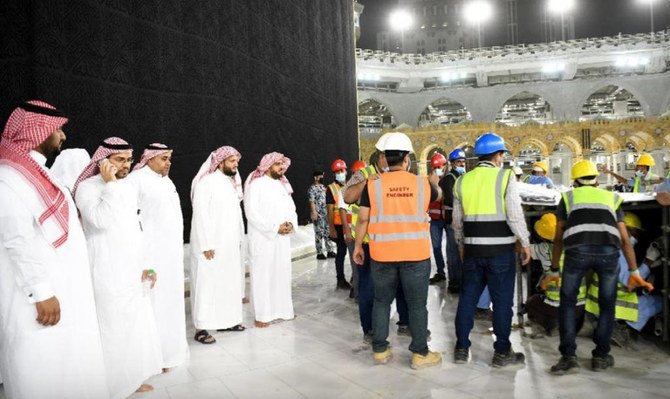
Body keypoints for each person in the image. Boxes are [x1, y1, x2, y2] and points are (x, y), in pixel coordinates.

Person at [0, 101, 108, 399]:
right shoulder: (10, 179)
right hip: (38, 300)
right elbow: (16, 240)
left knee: (67, 367)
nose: (62, 137)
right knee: (41, 367)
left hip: (63, 292)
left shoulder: (37, 174)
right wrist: (41, 291)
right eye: (58, 130)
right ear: (38, 132)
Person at [545, 160, 652, 375]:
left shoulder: (568, 197)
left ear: (575, 181)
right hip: (608, 253)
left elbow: (558, 238)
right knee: (607, 304)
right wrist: (633, 271)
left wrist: (554, 269)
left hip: (576, 252)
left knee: (567, 304)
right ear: (596, 180)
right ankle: (601, 357)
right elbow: (624, 239)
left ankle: (568, 358)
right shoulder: (611, 198)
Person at [74, 137, 162, 397]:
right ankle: (113, 386)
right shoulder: (87, 188)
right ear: (103, 161)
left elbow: (136, 227)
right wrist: (110, 185)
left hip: (131, 266)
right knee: (111, 325)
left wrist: (147, 264)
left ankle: (131, 378)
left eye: (128, 160)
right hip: (106, 265)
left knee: (133, 323)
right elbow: (100, 220)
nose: (125, 165)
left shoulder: (126, 187)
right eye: (119, 159)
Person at [353, 132, 443, 370]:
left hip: (382, 254)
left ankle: (380, 350)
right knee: (416, 304)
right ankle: (420, 353)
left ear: (384, 159)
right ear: (407, 159)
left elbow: (362, 219)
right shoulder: (423, 184)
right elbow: (439, 194)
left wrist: (358, 247)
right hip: (416, 255)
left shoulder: (372, 185)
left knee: (381, 302)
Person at [452, 132, 531, 368]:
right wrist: (525, 243)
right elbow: (515, 216)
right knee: (502, 302)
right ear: (498, 155)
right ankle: (502, 352)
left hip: (473, 252)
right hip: (501, 253)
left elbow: (457, 222)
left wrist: (461, 246)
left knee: (467, 300)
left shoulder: (462, 181)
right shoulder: (505, 177)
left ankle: (461, 348)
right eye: (502, 155)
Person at [341, 135, 410, 338]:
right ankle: (370, 329)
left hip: (393, 240)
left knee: (402, 284)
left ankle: (405, 322)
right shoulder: (364, 174)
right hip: (368, 243)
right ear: (380, 158)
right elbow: (346, 196)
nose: (390, 162)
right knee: (369, 288)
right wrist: (367, 183)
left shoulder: (400, 175)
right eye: (387, 157)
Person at [127, 143, 189, 368]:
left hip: (171, 255)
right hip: (151, 257)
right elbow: (132, 220)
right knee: (154, 305)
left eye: (169, 158)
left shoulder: (167, 181)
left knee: (171, 304)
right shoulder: (136, 180)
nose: (168, 163)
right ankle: (154, 358)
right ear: (149, 159)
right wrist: (144, 259)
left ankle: (172, 352)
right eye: (163, 158)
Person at [189, 146, 246, 343]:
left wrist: (239, 240)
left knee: (227, 283)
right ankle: (201, 328)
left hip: (228, 245)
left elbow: (235, 216)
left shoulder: (230, 184)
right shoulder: (207, 183)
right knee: (206, 285)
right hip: (210, 246)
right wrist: (206, 244)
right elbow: (200, 215)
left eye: (236, 161)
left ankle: (227, 320)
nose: (235, 164)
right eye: (231, 161)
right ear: (220, 162)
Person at [585, 212, 663, 347]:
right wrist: (649, 261)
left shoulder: (608, 247)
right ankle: (620, 328)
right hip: (615, 307)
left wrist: (647, 265)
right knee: (658, 302)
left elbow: (624, 271)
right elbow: (629, 281)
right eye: (634, 232)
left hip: (597, 305)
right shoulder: (618, 252)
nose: (636, 237)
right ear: (624, 230)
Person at [244, 152, 298, 328]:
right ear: (267, 166)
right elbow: (252, 213)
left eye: (283, 164)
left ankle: (283, 311)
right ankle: (262, 315)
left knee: (281, 274)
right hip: (263, 240)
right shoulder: (256, 185)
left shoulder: (283, 186)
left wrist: (290, 224)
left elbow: (292, 208)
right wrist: (275, 227)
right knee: (263, 276)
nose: (282, 167)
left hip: (282, 240)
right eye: (278, 164)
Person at [525, 213, 587, 336]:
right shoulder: (576, 247)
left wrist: (521, 237)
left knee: (531, 303)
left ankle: (549, 325)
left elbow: (523, 249)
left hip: (556, 307)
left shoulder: (544, 249)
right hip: (579, 307)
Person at [431, 148, 466, 291]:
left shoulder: (463, 178)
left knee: (461, 252)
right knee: (453, 252)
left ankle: (461, 280)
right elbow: (452, 200)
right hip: (451, 220)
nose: (462, 165)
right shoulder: (447, 180)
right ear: (452, 164)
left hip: (460, 220)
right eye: (459, 162)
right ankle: (454, 282)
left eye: (463, 162)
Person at [327, 159, 351, 289]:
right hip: (338, 225)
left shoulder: (350, 185)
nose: (340, 173)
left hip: (350, 224)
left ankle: (355, 278)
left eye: (342, 170)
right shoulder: (331, 188)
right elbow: (330, 210)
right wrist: (331, 229)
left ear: (346, 171)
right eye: (337, 171)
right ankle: (340, 279)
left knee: (353, 253)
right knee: (341, 252)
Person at [427, 153, 447, 284]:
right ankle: (441, 272)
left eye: (440, 167)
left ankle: (457, 274)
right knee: (436, 247)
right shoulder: (428, 181)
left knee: (453, 249)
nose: (438, 169)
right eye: (436, 167)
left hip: (449, 219)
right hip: (434, 220)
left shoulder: (450, 179)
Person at [308, 170, 336, 260]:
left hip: (326, 214)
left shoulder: (324, 187)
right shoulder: (312, 188)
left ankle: (330, 251)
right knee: (319, 233)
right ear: (315, 177)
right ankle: (319, 253)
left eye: (322, 176)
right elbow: (311, 201)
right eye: (320, 176)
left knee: (327, 232)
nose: (322, 178)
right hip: (318, 214)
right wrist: (314, 212)